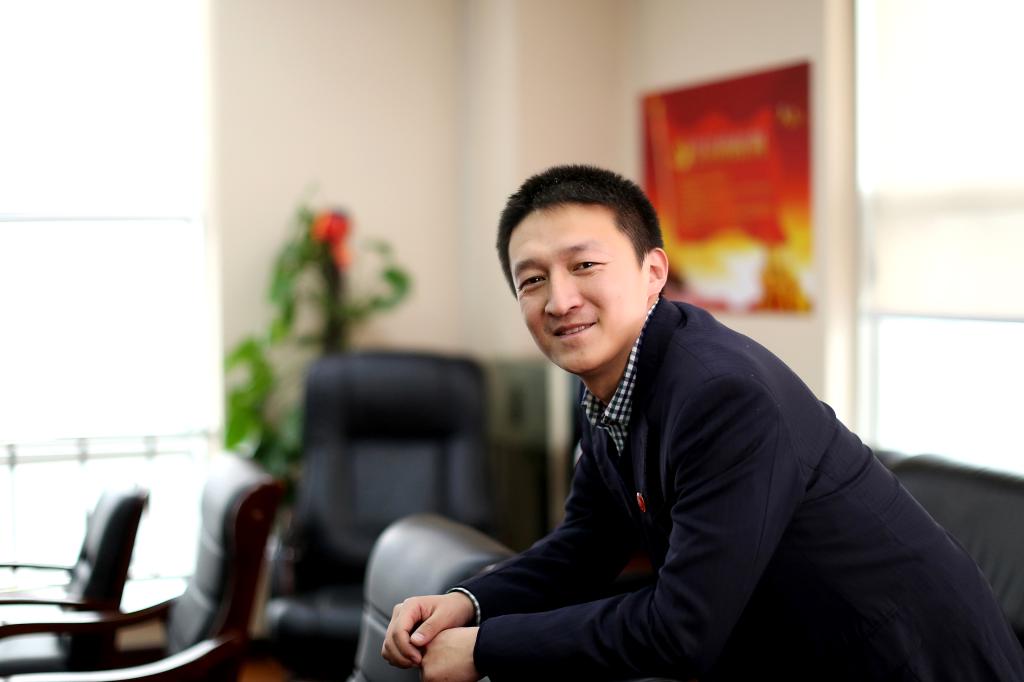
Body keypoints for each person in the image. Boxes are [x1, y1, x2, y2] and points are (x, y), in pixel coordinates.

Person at [382, 164, 1024, 681]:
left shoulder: (721, 396)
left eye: (584, 265)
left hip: (908, 660)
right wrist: (468, 602)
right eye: (532, 280)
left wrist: (486, 648)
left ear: (653, 272)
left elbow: (680, 628)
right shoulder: (608, 384)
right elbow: (586, 546)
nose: (560, 299)